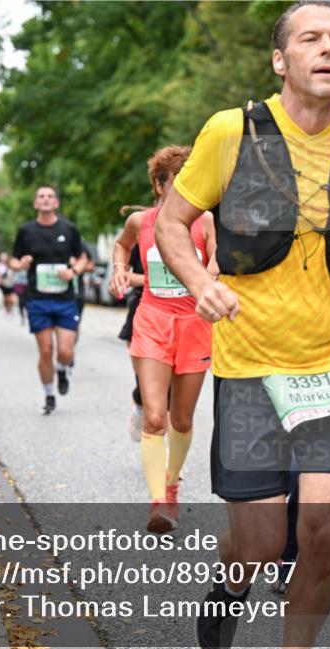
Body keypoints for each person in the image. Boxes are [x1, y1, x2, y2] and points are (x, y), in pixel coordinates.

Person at [155, 2, 330, 649]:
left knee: (325, 532)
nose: (328, 48)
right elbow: (171, 223)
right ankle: (232, 581)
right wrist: (200, 283)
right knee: (261, 542)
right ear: (281, 60)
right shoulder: (231, 132)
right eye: (311, 39)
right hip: (251, 366)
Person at [111, 145, 217, 533]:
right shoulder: (141, 222)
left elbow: (218, 259)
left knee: (182, 418)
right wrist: (120, 269)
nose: (189, 189)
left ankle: (172, 484)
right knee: (155, 417)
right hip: (152, 321)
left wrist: (212, 278)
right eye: (178, 181)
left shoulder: (205, 221)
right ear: (159, 185)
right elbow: (121, 245)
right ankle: (158, 502)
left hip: (194, 324)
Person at [10, 186, 86, 415]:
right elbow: (13, 261)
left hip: (65, 299)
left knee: (65, 351)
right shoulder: (26, 231)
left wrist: (73, 272)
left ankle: (62, 368)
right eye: (41, 196)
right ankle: (49, 394)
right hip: (37, 299)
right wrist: (21, 264)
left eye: (50, 196)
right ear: (36, 203)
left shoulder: (68, 229)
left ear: (56, 203)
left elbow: (83, 258)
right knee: (45, 350)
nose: (45, 199)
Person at [115, 210, 147, 442]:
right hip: (142, 305)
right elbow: (124, 264)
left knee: (172, 391)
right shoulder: (142, 228)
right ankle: (140, 401)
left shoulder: (195, 225)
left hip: (183, 310)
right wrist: (121, 275)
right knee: (147, 380)